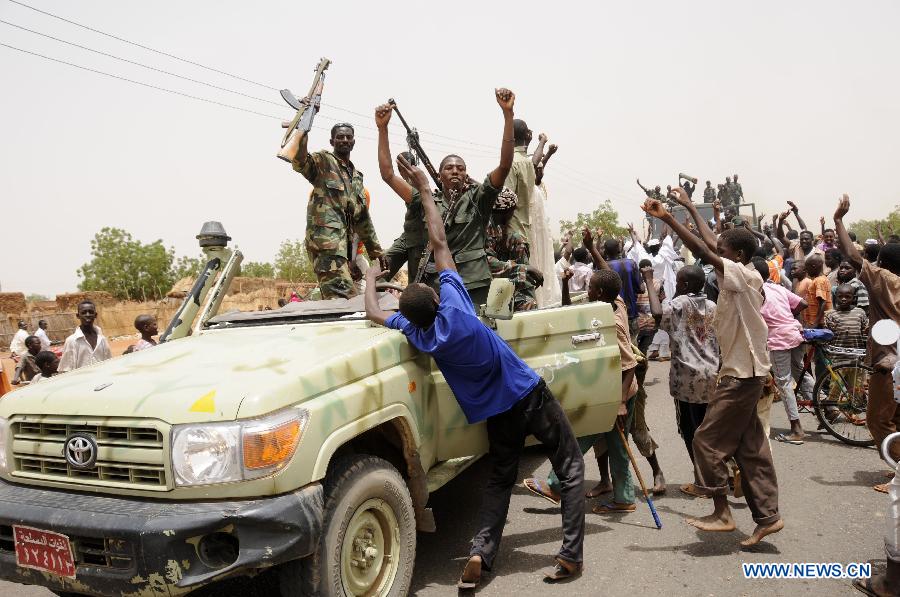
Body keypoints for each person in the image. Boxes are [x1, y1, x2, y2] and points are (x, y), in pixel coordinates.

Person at [365, 155, 585, 585]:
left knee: (500, 480)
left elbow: (375, 313)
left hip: (495, 413)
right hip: (528, 394)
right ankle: (570, 556)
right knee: (571, 466)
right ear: (436, 296)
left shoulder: (422, 335)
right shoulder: (458, 307)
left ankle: (481, 555)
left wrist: (373, 278)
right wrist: (426, 190)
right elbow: (440, 241)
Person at [643, 188, 782, 547]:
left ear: (737, 256)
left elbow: (707, 250)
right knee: (749, 447)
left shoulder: (744, 277)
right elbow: (712, 243)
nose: (714, 257)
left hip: (741, 375)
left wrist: (669, 219)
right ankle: (768, 517)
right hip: (747, 373)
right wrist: (689, 206)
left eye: (723, 253)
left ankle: (722, 512)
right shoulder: (743, 271)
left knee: (705, 439)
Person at [375, 91, 516, 306]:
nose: (455, 171)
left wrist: (508, 115)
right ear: (440, 175)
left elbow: (504, 165)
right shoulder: (425, 200)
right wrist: (382, 129)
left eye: (460, 168)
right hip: (438, 287)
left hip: (473, 285)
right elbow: (388, 175)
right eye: (449, 168)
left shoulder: (479, 199)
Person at [834, 194, 900, 492]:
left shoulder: (885, 280)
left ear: (884, 264)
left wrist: (838, 220)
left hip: (889, 364)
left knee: (877, 421)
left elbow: (854, 256)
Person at [280, 119, 383, 299]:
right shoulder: (324, 161)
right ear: (332, 141)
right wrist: (303, 133)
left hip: (344, 250)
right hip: (326, 244)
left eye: (348, 137)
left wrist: (376, 252)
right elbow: (301, 161)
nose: (344, 140)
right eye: (340, 137)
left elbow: (362, 219)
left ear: (353, 142)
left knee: (345, 300)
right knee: (342, 298)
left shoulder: (357, 177)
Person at [643, 263, 718, 498]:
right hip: (712, 374)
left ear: (683, 285)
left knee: (690, 430)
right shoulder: (713, 306)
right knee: (709, 428)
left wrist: (648, 280)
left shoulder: (680, 304)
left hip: (687, 379)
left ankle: (701, 480)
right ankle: (720, 472)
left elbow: (657, 314)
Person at [751, 258, 809, 444]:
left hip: (779, 339)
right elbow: (802, 303)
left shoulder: (757, 293)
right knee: (800, 371)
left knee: (784, 383)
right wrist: (787, 317)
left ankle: (796, 429)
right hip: (794, 331)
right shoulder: (776, 287)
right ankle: (826, 407)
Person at [485, 190, 544, 311]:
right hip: (486, 282)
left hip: (504, 283)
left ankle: (529, 301)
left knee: (517, 239)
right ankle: (529, 306)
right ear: (507, 212)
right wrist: (525, 269)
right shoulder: (485, 227)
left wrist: (525, 272)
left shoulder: (499, 228)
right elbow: (488, 263)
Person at [504, 118, 536, 243]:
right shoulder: (527, 162)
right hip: (524, 233)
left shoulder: (511, 163)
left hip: (511, 234)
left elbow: (506, 200)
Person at [59, 300, 112, 372]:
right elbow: (66, 369)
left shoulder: (102, 339)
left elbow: (109, 362)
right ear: (78, 316)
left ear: (95, 315)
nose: (87, 315)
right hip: (82, 381)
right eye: (83, 312)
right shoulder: (72, 341)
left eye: (91, 312)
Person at [803, 255, 832, 330]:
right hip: (818, 321)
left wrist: (816, 323)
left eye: (807, 268)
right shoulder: (821, 279)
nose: (806, 271)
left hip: (819, 323)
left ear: (814, 266)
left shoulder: (819, 281)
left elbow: (822, 302)